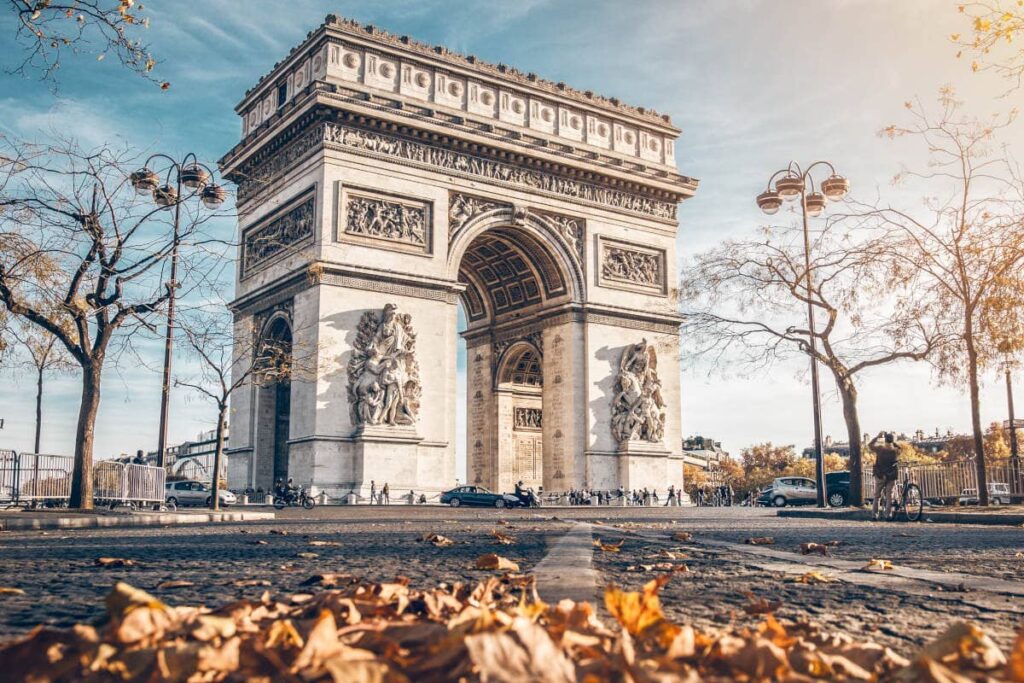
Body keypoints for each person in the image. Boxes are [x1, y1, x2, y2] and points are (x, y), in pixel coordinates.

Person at [870, 431, 900, 521]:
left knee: (877, 496)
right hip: (890, 476)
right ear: (892, 441)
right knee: (889, 496)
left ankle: (874, 515)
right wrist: (893, 441)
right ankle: (888, 515)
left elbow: (870, 445)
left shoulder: (880, 449)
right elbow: (900, 448)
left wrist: (877, 437)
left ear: (885, 440)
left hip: (880, 475)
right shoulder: (895, 451)